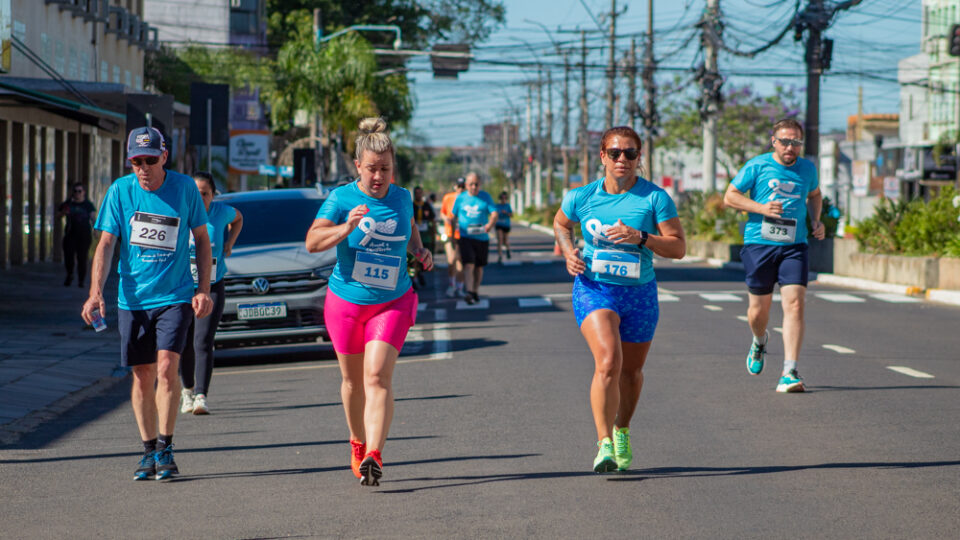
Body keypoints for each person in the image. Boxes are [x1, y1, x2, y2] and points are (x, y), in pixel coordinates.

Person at [305, 117, 433, 486]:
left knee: (377, 376)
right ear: (358, 167)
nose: (379, 177)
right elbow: (312, 242)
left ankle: (374, 454)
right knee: (352, 382)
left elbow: (410, 230)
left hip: (392, 300)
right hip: (346, 302)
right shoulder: (342, 198)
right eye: (372, 169)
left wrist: (420, 251)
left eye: (386, 169)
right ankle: (358, 441)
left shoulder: (402, 197)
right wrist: (346, 226)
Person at [81, 126, 213, 481]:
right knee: (142, 376)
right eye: (136, 161)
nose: (143, 167)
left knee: (168, 368)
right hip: (133, 299)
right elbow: (106, 244)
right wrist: (96, 292)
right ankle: (148, 450)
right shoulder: (120, 192)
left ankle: (166, 447)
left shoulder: (185, 188)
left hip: (175, 296)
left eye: (150, 160)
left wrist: (203, 289)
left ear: (164, 156)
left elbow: (201, 240)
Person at [553, 126, 685, 473]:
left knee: (632, 371)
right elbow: (561, 223)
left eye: (630, 153)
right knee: (609, 360)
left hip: (639, 293)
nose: (622, 159)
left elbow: (678, 247)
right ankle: (604, 444)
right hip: (595, 288)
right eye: (615, 153)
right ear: (603, 157)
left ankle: (621, 428)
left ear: (639, 158)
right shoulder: (581, 197)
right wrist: (569, 253)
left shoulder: (655, 198)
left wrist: (641, 237)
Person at [723, 117, 825, 393]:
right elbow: (730, 196)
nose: (790, 147)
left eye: (796, 142)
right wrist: (761, 208)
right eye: (785, 141)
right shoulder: (757, 165)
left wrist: (816, 220)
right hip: (759, 244)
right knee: (759, 311)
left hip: (795, 245)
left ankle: (789, 371)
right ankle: (759, 340)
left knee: (795, 304)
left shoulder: (807, 169)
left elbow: (815, 195)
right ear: (774, 142)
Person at [179, 172, 243, 416]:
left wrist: (230, 243)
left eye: (205, 194)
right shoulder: (180, 212)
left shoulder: (221, 212)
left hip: (213, 285)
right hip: (184, 287)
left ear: (213, 195)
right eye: (195, 193)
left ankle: (201, 396)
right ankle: (186, 391)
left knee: (203, 341)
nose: (200, 198)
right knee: (185, 342)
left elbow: (239, 218)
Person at [451, 173, 498, 305]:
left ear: (480, 185)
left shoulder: (485, 197)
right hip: (466, 237)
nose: (474, 187)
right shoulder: (461, 198)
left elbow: (494, 213)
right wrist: (453, 234)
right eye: (471, 184)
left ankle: (475, 290)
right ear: (466, 185)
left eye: (476, 184)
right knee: (469, 264)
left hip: (482, 238)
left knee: (478, 267)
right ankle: (469, 292)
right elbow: (453, 217)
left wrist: (490, 224)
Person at [57, 182, 97, 287]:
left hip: (84, 235)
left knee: (82, 258)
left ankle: (81, 280)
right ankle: (69, 274)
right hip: (70, 234)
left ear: (83, 192)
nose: (77, 193)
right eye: (75, 191)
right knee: (69, 257)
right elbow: (58, 215)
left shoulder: (88, 205)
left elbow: (93, 218)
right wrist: (63, 213)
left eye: (80, 191)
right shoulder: (68, 204)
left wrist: (96, 230)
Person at [440, 178, 465, 297]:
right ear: (455, 186)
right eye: (459, 186)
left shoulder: (467, 199)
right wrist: (446, 219)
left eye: (463, 186)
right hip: (450, 233)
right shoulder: (448, 197)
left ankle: (460, 287)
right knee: (451, 261)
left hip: (463, 234)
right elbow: (442, 212)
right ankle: (451, 285)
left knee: (461, 262)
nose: (461, 188)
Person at [410, 185, 437, 289]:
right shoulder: (412, 205)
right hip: (415, 235)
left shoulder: (426, 205)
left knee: (424, 255)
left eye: (420, 193)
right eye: (416, 193)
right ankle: (414, 277)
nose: (418, 195)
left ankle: (420, 272)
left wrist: (434, 233)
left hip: (425, 236)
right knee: (414, 258)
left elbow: (432, 220)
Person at [494, 191, 513, 263]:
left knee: (505, 241)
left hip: (506, 225)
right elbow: (493, 214)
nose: (503, 199)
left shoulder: (508, 206)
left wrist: (506, 213)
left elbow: (511, 215)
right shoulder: (497, 206)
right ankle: (500, 256)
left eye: (505, 198)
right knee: (500, 240)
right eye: (502, 198)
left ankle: (508, 250)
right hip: (499, 225)